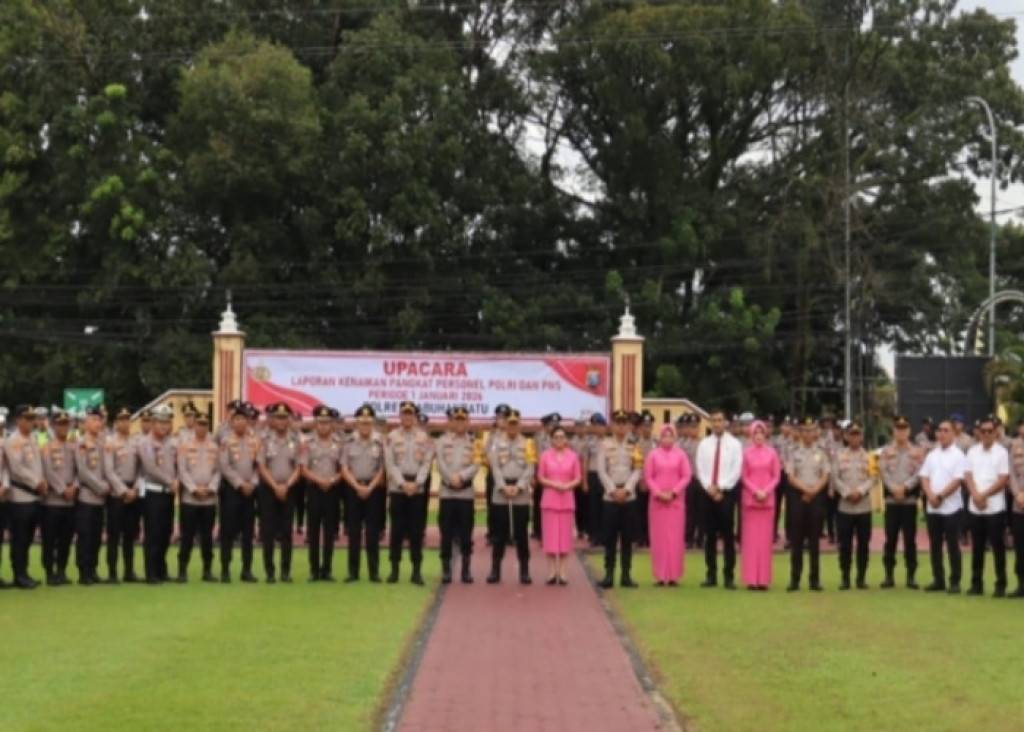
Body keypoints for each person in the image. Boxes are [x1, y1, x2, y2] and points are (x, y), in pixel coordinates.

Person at [384, 401, 434, 585]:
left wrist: (417, 483)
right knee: (396, 531)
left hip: (417, 489)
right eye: (404, 414)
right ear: (400, 416)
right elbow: (390, 464)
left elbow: (427, 463)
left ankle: (416, 571)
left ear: (414, 417)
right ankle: (394, 570)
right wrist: (402, 483)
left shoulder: (424, 438)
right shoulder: (391, 437)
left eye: (410, 414)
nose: (407, 417)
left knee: (416, 532)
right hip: (399, 489)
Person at [695, 409, 743, 589]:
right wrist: (710, 487)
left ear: (726, 422)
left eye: (720, 420)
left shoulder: (735, 444)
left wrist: (720, 487)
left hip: (726, 494)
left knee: (728, 536)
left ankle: (729, 576)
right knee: (709, 536)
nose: (717, 423)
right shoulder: (704, 444)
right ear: (710, 423)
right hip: (707, 493)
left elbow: (736, 471)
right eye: (713, 420)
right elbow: (700, 469)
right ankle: (711, 575)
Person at [487, 409, 535, 585]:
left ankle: (524, 570)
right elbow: (495, 467)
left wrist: (520, 486)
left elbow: (530, 467)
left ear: (519, 425)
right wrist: (502, 486)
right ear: (505, 425)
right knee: (499, 534)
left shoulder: (528, 444)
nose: (513, 427)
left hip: (520, 493)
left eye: (516, 423)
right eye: (510, 423)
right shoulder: (496, 443)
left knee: (522, 534)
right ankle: (495, 569)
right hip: (501, 491)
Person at [596, 410, 643, 589]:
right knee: (609, 538)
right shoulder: (604, 445)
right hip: (610, 496)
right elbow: (601, 470)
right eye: (618, 423)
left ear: (628, 425)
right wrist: (613, 490)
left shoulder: (635, 445)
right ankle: (608, 574)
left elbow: (638, 469)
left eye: (624, 423)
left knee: (627, 537)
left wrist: (628, 489)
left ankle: (626, 575)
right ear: (612, 425)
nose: (621, 426)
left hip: (629, 497)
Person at [919, 419, 966, 594]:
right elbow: (924, 477)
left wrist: (940, 495)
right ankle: (938, 579)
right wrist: (930, 495)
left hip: (951, 508)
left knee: (953, 545)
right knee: (935, 545)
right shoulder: (932, 455)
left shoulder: (959, 455)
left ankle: (955, 581)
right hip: (933, 507)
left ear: (954, 433)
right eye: (940, 430)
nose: (942, 434)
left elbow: (958, 480)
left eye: (946, 430)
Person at [964, 415, 1009, 597]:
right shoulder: (972, 451)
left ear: (996, 432)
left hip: (994, 507)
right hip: (975, 506)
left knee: (998, 547)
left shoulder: (1002, 452)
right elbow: (968, 476)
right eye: (983, 431)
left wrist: (984, 495)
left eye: (990, 431)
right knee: (977, 547)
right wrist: (975, 495)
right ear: (978, 433)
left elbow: (1003, 479)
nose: (987, 434)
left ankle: (1000, 584)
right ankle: (976, 584)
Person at [341, 404, 386, 582]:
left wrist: (370, 487)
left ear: (373, 423)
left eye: (368, 423)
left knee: (372, 533)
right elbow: (344, 467)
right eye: (362, 423)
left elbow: (383, 468)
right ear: (357, 424)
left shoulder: (381, 442)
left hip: (373, 490)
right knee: (354, 532)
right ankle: (353, 572)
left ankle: (374, 572)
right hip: (353, 489)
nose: (365, 426)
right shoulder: (348, 442)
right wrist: (357, 486)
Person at [258, 403, 302, 584]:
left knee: (286, 532)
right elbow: (261, 465)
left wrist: (286, 485)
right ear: (272, 420)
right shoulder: (264, 439)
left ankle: (285, 571)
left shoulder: (296, 440)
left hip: (289, 489)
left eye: (285, 418)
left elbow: (299, 467)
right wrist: (276, 486)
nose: (281, 421)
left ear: (289, 420)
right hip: (269, 489)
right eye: (278, 417)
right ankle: (269, 571)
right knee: (267, 532)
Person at [785, 417, 831, 591]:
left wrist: (814, 491)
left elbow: (825, 475)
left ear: (816, 432)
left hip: (816, 497)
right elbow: (791, 476)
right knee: (796, 540)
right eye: (805, 430)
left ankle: (815, 579)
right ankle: (795, 579)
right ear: (800, 432)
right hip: (798, 497)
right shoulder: (793, 450)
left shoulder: (822, 451)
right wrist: (806, 490)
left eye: (811, 430)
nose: (808, 433)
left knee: (814, 541)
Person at [435, 406, 480, 584]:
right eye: (457, 419)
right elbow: (440, 463)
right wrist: (451, 477)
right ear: (452, 422)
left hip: (465, 494)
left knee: (466, 533)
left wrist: (461, 476)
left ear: (468, 422)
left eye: (463, 419)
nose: (460, 423)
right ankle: (446, 568)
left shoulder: (475, 442)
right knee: (445, 533)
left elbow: (477, 464)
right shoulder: (442, 441)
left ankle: (466, 569)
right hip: (447, 493)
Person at [879, 415, 924, 589]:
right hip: (892, 501)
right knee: (890, 540)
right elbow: (883, 473)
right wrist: (894, 489)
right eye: (898, 429)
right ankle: (889, 575)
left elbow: (919, 474)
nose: (901, 432)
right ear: (894, 431)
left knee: (910, 540)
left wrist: (904, 488)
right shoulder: (886, 452)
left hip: (909, 502)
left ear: (909, 431)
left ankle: (911, 576)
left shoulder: (917, 452)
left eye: (904, 429)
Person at [4, 405, 45, 589]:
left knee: (28, 538)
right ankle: (18, 575)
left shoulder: (33, 439)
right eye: (27, 418)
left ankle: (25, 572)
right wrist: (36, 481)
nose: (31, 422)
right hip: (20, 497)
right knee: (19, 539)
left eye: (32, 418)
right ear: (18, 420)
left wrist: (41, 480)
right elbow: (17, 469)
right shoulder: (13, 441)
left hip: (34, 497)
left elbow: (38, 465)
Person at [301, 404, 344, 582]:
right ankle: (314, 570)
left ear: (332, 424)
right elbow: (303, 468)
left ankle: (327, 569)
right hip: (314, 491)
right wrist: (320, 481)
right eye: (320, 423)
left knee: (329, 532)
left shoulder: (339, 443)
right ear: (315, 424)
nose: (324, 426)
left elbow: (344, 469)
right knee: (313, 531)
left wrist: (332, 481)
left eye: (327, 423)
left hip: (332, 491)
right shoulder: (307, 443)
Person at [218, 404, 261, 583]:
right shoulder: (226, 442)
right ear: (232, 422)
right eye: (237, 419)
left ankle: (247, 570)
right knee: (227, 531)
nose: (240, 422)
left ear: (248, 422)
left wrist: (253, 483)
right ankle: (226, 569)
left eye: (244, 419)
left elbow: (259, 466)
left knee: (248, 532)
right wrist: (240, 483)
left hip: (250, 492)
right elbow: (224, 466)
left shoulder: (255, 441)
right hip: (232, 491)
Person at [644, 423, 691, 587]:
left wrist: (674, 492)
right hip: (658, 503)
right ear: (660, 437)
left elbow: (686, 476)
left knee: (675, 538)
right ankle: (660, 575)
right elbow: (649, 477)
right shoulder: (653, 455)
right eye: (664, 436)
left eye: (670, 436)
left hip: (675, 503)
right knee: (659, 539)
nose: (667, 439)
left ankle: (674, 575)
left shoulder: (681, 455)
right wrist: (659, 493)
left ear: (675, 437)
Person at [176, 411, 219, 583]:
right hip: (190, 499)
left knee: (207, 537)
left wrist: (210, 488)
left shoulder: (214, 447)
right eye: (199, 424)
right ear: (193, 426)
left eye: (205, 424)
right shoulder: (184, 446)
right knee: (187, 536)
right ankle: (182, 570)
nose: (202, 427)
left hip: (209, 499)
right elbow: (182, 470)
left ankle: (207, 570)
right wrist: (194, 489)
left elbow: (218, 471)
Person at [138, 405, 179, 584]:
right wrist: (170, 481)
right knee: (153, 533)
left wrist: (177, 480)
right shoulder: (146, 443)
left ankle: (161, 569)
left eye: (167, 422)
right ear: (153, 423)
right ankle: (151, 572)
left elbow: (179, 464)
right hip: (153, 493)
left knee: (165, 532)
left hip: (169, 494)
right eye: (161, 422)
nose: (164, 426)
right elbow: (150, 468)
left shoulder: (172, 442)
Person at [537, 424, 581, 585]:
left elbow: (577, 477)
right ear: (551, 440)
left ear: (566, 439)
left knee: (564, 537)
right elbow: (540, 477)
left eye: (562, 437)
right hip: (550, 498)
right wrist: (553, 484)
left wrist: (568, 485)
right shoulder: (545, 456)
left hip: (567, 498)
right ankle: (551, 571)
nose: (559, 440)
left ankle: (562, 572)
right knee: (550, 537)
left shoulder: (573, 456)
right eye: (556, 437)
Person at [834, 422, 874, 590]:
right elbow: (835, 478)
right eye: (852, 434)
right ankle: (845, 577)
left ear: (862, 437)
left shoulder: (870, 457)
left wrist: (860, 491)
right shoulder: (839, 456)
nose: (855, 437)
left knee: (863, 544)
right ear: (846, 437)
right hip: (845, 506)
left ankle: (861, 577)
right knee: (845, 545)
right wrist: (847, 492)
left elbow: (874, 478)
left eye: (858, 434)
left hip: (863, 506)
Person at [104, 407, 142, 582]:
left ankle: (129, 571)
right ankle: (112, 572)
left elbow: (142, 468)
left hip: (132, 490)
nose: (125, 423)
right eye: (121, 420)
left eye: (127, 419)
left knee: (130, 534)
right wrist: (123, 491)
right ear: (116, 423)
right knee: (114, 535)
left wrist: (135, 488)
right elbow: (109, 471)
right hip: (116, 493)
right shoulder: (110, 442)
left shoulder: (136, 443)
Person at [740, 420, 779, 590]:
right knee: (751, 542)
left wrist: (766, 491)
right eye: (755, 434)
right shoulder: (746, 453)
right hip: (751, 501)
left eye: (761, 434)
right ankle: (751, 579)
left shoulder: (772, 453)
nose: (758, 437)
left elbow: (776, 476)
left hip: (767, 502)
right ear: (751, 435)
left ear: (765, 435)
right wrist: (756, 491)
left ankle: (763, 579)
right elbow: (744, 476)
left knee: (764, 542)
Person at [40, 409, 77, 586]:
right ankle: (49, 571)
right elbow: (48, 471)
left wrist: (74, 487)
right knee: (49, 539)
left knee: (66, 539)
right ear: (54, 427)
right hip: (53, 501)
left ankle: (61, 570)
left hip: (70, 502)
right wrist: (63, 490)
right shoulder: (47, 448)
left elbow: (80, 470)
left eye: (66, 424)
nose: (64, 428)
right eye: (60, 424)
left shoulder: (73, 447)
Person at [75, 406, 110, 585]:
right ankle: (84, 571)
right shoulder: (82, 443)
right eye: (94, 420)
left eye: (99, 420)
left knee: (96, 536)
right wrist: (100, 486)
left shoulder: (102, 442)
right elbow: (83, 471)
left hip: (101, 498)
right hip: (88, 496)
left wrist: (107, 486)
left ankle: (93, 569)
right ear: (86, 422)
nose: (98, 423)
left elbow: (107, 468)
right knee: (85, 535)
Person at [634, 410, 656, 548]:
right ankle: (640, 537)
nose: (646, 428)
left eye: (649, 425)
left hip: (654, 484)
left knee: (652, 513)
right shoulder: (636, 444)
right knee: (639, 512)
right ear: (640, 428)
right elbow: (636, 464)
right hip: (640, 482)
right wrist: (641, 480)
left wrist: (651, 482)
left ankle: (650, 538)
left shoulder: (657, 443)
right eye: (644, 426)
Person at [585, 413, 608, 547]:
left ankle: (604, 535)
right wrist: (585, 481)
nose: (596, 428)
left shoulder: (609, 442)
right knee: (593, 507)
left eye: (598, 426)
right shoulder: (590, 442)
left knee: (605, 507)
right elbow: (586, 461)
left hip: (605, 476)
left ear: (604, 427)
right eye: (594, 426)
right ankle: (594, 536)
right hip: (593, 475)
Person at [1008, 420, 1024, 597]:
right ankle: (1021, 584)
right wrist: (1017, 494)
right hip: (1019, 505)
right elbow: (1011, 473)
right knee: (1020, 547)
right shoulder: (1015, 446)